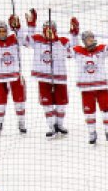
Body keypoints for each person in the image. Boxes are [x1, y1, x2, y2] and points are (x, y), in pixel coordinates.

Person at [18, 9, 74, 139]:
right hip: (43, 77)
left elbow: (71, 54)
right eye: (45, 29)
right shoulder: (37, 40)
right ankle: (51, 127)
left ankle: (59, 125)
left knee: (61, 103)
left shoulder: (63, 41)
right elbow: (25, 42)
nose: (48, 32)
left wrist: (62, 43)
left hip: (59, 77)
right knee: (47, 103)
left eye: (50, 29)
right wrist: (31, 25)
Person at [70, 23, 108, 145]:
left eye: (92, 37)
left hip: (101, 87)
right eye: (88, 38)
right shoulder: (78, 51)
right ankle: (92, 133)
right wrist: (73, 34)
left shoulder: (101, 49)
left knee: (107, 110)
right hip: (86, 89)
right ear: (84, 41)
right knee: (89, 112)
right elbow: (66, 52)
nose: (91, 39)